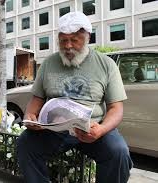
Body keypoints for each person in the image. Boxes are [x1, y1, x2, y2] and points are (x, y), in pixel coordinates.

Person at [16, 11, 133, 183]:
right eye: (63, 40)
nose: (68, 46)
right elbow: (37, 99)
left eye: (74, 40)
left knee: (118, 152)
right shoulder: (48, 63)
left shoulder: (106, 65)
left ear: (87, 38)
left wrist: (101, 130)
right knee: (25, 144)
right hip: (55, 130)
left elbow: (116, 108)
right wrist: (29, 117)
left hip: (94, 128)